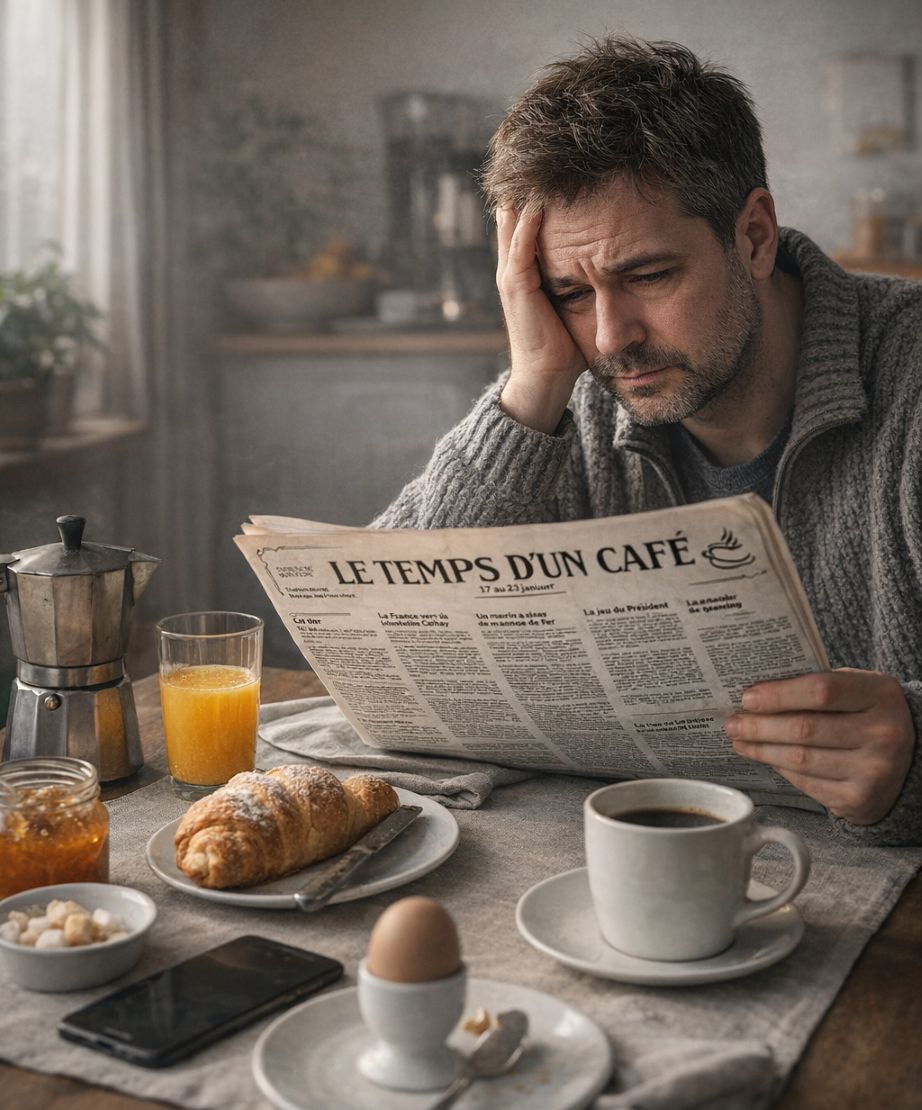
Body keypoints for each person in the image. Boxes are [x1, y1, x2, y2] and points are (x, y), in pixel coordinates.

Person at [372, 36, 922, 845]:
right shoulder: (572, 398)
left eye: (649, 276)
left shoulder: (909, 378)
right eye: (569, 292)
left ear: (755, 235)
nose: (611, 338)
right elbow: (388, 643)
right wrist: (531, 388)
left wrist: (915, 759)